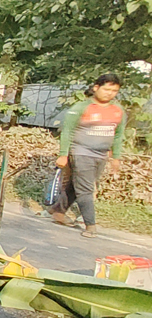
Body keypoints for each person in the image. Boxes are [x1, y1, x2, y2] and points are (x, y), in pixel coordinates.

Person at [49, 74, 127, 238]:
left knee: (76, 185)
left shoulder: (118, 111)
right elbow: (67, 131)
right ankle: (90, 225)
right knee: (86, 189)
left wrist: (116, 157)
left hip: (101, 155)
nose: (110, 93)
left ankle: (58, 212)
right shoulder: (80, 108)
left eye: (114, 91)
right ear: (96, 88)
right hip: (81, 152)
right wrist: (63, 154)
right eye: (106, 89)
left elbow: (118, 135)